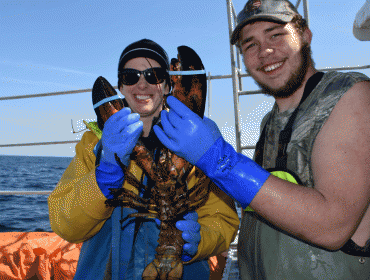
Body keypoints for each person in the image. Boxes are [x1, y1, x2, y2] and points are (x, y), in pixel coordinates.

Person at [153, 0, 370, 279]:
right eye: (250, 45)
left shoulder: (351, 95)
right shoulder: (271, 122)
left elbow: (333, 226)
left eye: (276, 35)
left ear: (305, 35)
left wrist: (220, 160)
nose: (265, 52)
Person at [48, 39, 239, 280]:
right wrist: (102, 179)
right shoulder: (93, 145)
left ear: (169, 85)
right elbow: (66, 225)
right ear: (120, 87)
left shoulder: (200, 139)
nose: (142, 83)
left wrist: (201, 240)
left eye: (154, 75)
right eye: (130, 76)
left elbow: (223, 219)